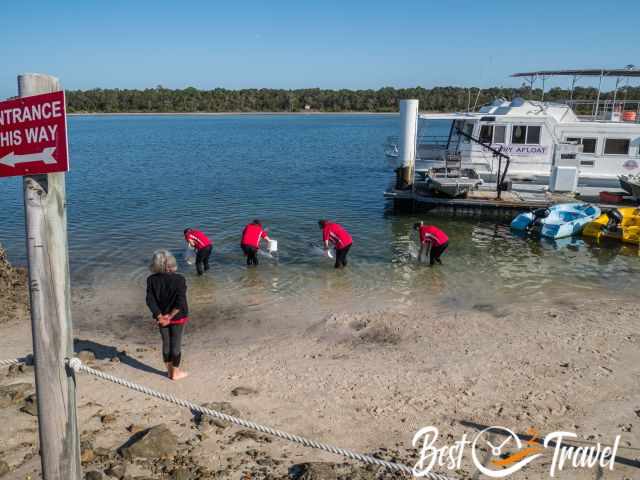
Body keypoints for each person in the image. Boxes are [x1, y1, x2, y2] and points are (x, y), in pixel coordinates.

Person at [146, 249, 189, 380]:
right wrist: (170, 317)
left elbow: (150, 300)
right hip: (177, 316)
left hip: (161, 317)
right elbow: (180, 302)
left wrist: (160, 316)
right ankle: (175, 373)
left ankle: (170, 371)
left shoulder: (151, 280)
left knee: (166, 343)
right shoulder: (179, 279)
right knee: (176, 344)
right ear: (172, 263)